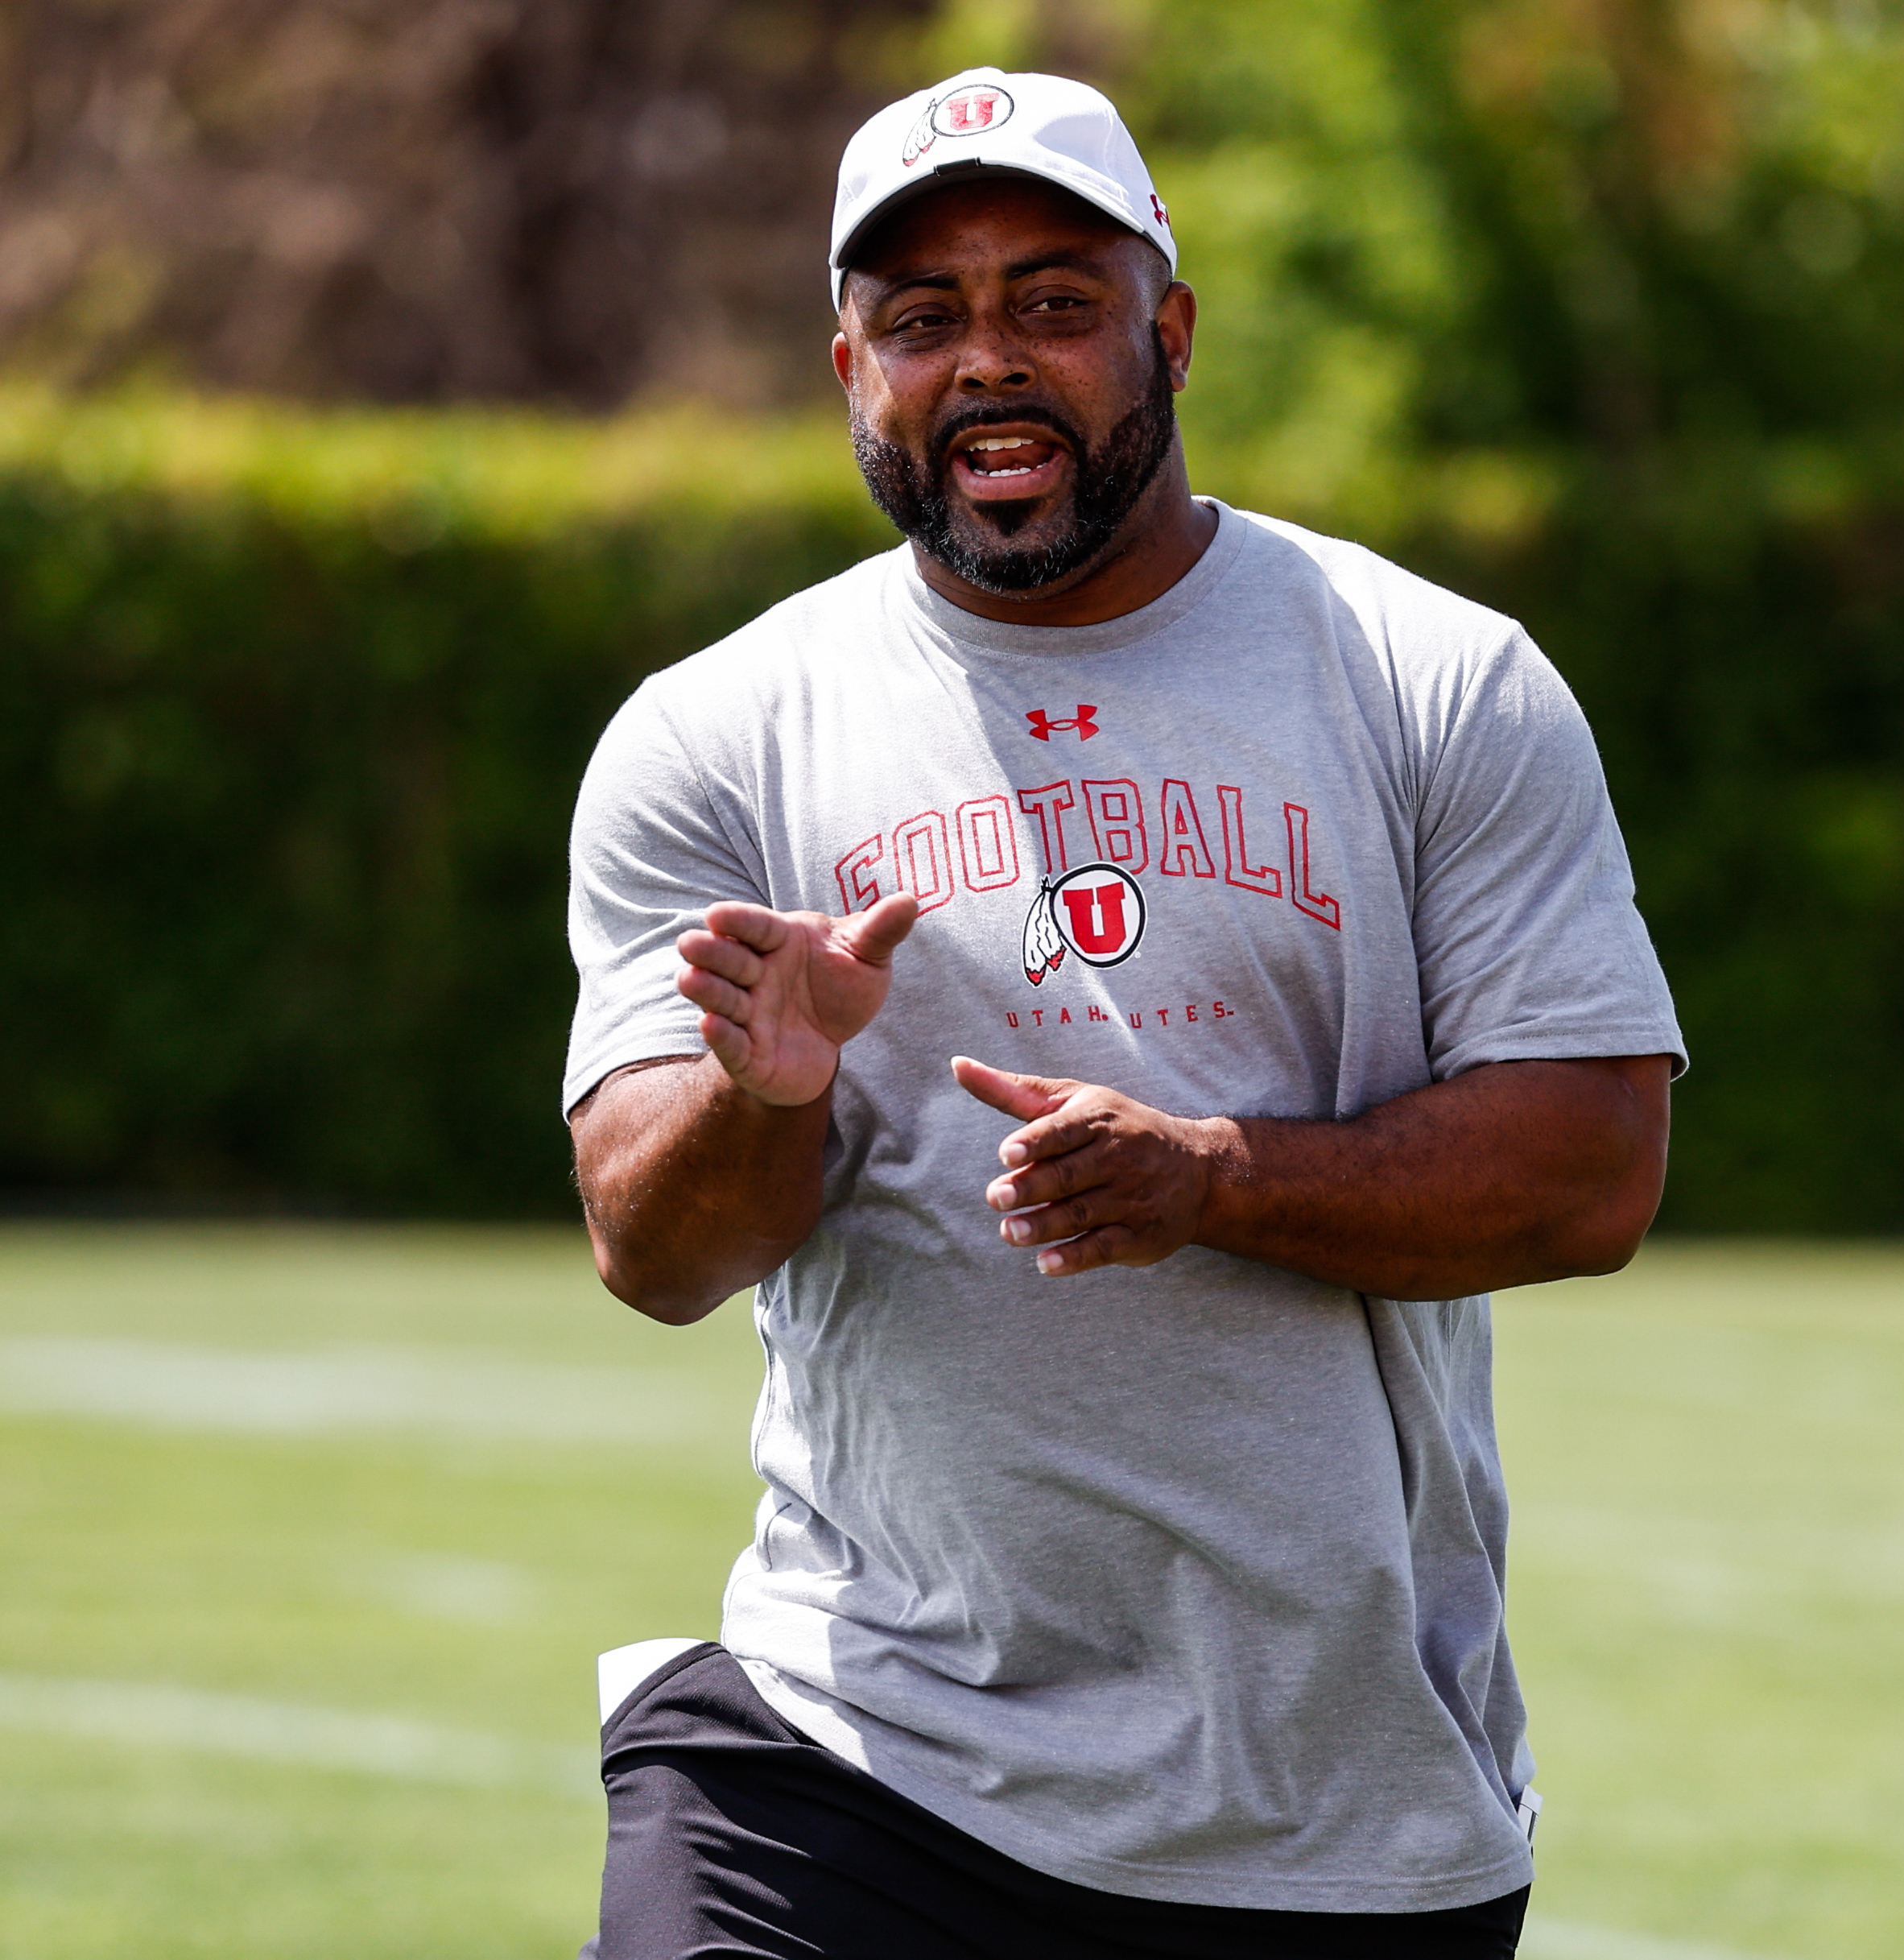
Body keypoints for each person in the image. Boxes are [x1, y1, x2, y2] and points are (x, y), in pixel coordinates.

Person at [560, 67, 1686, 1960]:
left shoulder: (1434, 679)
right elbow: (653, 1251)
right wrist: (772, 1095)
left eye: (1051, 303)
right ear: (851, 369)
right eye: (922, 319)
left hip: (1325, 1808)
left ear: (1167, 331)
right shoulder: (720, 731)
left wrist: (1214, 1177)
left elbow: (1590, 1175)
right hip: (853, 1742)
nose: (985, 360)